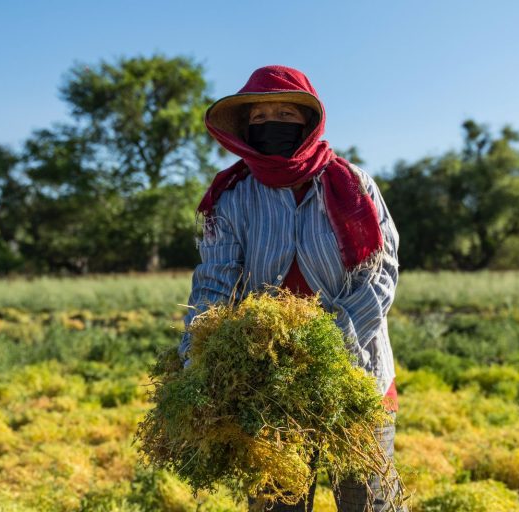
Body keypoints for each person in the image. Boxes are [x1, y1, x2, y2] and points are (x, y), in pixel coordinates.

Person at [179, 65, 401, 512]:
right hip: (266, 380)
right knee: (278, 502)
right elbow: (215, 281)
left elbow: (381, 273)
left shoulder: (352, 185)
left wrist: (329, 338)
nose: (270, 124)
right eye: (258, 118)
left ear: (307, 122)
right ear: (244, 130)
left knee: (368, 500)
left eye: (283, 112)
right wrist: (196, 353)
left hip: (356, 374)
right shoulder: (233, 195)